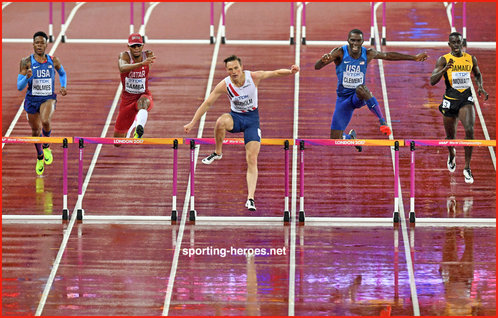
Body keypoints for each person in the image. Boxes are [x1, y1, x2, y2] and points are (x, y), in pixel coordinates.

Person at [184, 55, 299, 211]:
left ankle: (250, 198)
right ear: (226, 70)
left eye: (236, 68)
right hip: (236, 118)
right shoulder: (225, 85)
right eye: (230, 69)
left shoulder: (253, 77)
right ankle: (217, 152)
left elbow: (274, 73)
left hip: (252, 121)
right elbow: (207, 103)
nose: (234, 72)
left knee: (252, 158)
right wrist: (192, 122)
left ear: (241, 67)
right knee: (220, 122)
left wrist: (290, 72)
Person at [315, 29, 428, 151]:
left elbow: (388, 56)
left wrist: (414, 58)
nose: (355, 44)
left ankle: (382, 122)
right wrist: (323, 61)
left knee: (361, 88)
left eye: (358, 41)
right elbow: (317, 67)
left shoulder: (368, 53)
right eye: (352, 40)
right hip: (343, 100)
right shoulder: (340, 52)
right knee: (334, 140)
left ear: (363, 41)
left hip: (358, 97)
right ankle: (350, 138)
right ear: (348, 40)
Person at [430, 32, 488, 184]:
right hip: (450, 100)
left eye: (459, 42)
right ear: (449, 44)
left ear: (462, 43)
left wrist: (480, 86)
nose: (456, 45)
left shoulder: (470, 58)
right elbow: (432, 81)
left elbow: (477, 73)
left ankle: (467, 167)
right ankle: (452, 153)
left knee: (469, 129)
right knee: (450, 137)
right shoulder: (443, 59)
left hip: (465, 99)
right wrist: (444, 70)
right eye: (453, 42)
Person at [17, 31, 67, 175]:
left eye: (42, 43)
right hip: (32, 99)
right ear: (33, 44)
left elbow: (62, 74)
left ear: (46, 44)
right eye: (37, 43)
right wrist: (27, 78)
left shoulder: (54, 60)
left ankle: (46, 145)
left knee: (45, 120)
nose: (39, 45)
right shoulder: (26, 62)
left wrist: (63, 86)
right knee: (35, 131)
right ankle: (39, 156)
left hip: (48, 97)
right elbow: (19, 87)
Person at [114, 33, 156, 144]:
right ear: (128, 46)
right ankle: (134, 123)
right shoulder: (124, 56)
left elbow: (149, 65)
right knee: (117, 142)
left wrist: (144, 63)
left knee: (143, 102)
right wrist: (141, 64)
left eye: (138, 45)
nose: (136, 48)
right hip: (127, 100)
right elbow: (122, 68)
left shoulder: (148, 55)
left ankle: (139, 128)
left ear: (142, 45)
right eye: (133, 46)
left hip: (143, 95)